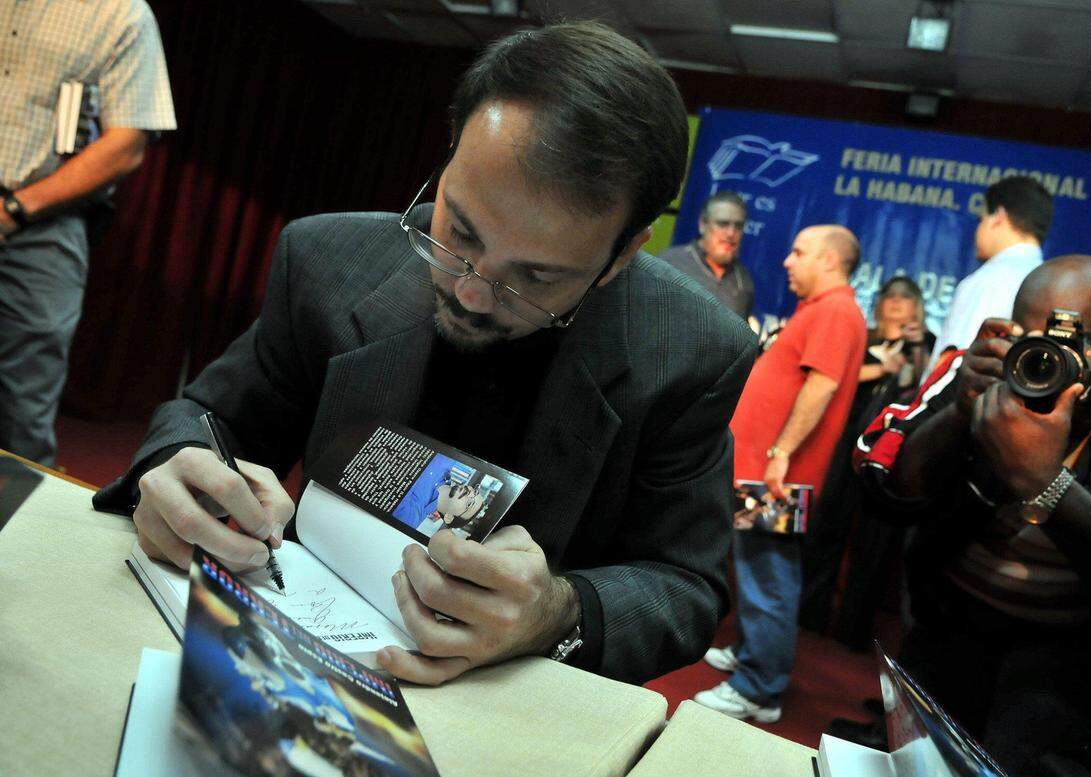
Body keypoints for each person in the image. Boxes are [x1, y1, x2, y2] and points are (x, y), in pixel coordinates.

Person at [93, 22, 757, 688]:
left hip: (513, 698)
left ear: (622, 255)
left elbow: (685, 585)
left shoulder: (690, 351)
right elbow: (210, 417)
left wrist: (557, 611)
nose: (470, 291)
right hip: (296, 652)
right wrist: (175, 469)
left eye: (535, 277)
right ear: (450, 151)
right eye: (458, 230)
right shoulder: (326, 264)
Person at [854, 256, 1091, 774]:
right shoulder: (977, 369)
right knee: (917, 762)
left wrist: (1046, 486)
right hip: (946, 624)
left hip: (1072, 656)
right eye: (1033, 338)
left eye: (1076, 345)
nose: (1048, 358)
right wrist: (960, 412)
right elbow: (886, 491)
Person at [693, 224, 866, 722]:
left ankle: (759, 689)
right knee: (756, 570)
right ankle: (754, 657)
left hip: (775, 478)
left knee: (768, 576)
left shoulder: (835, 310)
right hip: (765, 472)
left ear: (830, 261)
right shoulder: (822, 309)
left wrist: (780, 453)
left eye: (799, 252)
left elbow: (821, 388)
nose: (787, 261)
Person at [0, 0, 176, 465]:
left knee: (22, 407)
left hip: (39, 221)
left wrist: (13, 210)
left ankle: (16, 527)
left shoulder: (120, 14)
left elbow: (126, 146)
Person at [800, 275, 934, 640]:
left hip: (890, 461)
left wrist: (916, 345)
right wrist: (880, 367)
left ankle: (853, 629)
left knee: (873, 547)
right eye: (889, 295)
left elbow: (924, 391)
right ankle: (810, 615)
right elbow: (832, 378)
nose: (895, 302)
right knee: (826, 529)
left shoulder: (926, 344)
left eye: (905, 297)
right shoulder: (865, 338)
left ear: (918, 306)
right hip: (844, 447)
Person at [925, 176, 1052, 377]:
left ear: (999, 216)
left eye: (981, 219)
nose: (979, 228)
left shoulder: (990, 281)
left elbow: (951, 363)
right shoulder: (1048, 280)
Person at [657, 191, 757, 326]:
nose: (730, 233)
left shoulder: (744, 282)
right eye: (723, 224)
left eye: (738, 226)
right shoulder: (669, 264)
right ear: (703, 224)